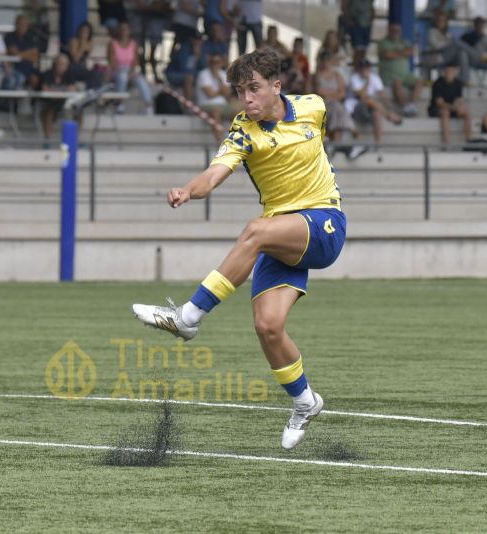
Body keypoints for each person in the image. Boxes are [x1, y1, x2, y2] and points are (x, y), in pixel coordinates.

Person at [132, 49, 345, 451]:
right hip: (281, 236)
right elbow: (213, 176)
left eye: (254, 89)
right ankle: (305, 402)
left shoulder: (313, 107)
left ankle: (188, 317)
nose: (246, 99)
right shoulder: (243, 131)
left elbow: (318, 142)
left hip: (323, 223)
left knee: (255, 230)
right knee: (268, 327)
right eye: (240, 91)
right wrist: (187, 191)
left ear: (276, 87)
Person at [313, 51, 365, 159]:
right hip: (322, 104)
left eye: (329, 60)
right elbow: (319, 92)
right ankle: (353, 130)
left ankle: (334, 147)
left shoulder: (337, 75)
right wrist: (334, 93)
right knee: (338, 108)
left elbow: (342, 93)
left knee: (337, 108)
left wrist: (329, 94)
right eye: (325, 60)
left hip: (334, 104)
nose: (327, 63)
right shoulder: (317, 75)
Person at [345, 58, 402, 144]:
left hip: (371, 106)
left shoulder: (375, 77)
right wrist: (367, 81)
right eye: (362, 68)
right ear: (358, 69)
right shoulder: (354, 78)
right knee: (369, 100)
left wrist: (390, 108)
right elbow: (362, 97)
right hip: (355, 107)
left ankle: (377, 143)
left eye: (366, 68)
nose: (364, 70)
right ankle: (389, 116)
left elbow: (382, 95)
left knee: (377, 114)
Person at [378, 22, 423, 117]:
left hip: (405, 75)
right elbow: (387, 55)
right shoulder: (383, 42)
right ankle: (405, 107)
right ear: (389, 30)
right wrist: (402, 52)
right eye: (393, 30)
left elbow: (411, 51)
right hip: (390, 75)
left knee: (419, 81)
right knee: (397, 83)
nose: (395, 32)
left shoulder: (404, 42)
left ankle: (411, 105)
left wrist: (395, 53)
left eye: (397, 30)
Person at [109, 21, 154, 114]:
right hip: (117, 71)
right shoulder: (113, 43)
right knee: (122, 77)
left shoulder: (134, 44)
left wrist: (132, 72)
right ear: (119, 31)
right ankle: (119, 104)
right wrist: (122, 70)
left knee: (141, 80)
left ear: (130, 31)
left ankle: (149, 106)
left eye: (126, 29)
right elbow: (112, 63)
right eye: (122, 29)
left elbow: (135, 62)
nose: (124, 31)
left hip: (130, 70)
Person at [428, 63, 471, 144]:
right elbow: (439, 103)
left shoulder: (458, 83)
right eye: (447, 71)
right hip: (436, 109)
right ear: (444, 72)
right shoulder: (437, 83)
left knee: (466, 113)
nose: (449, 73)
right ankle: (446, 142)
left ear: (455, 72)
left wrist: (460, 106)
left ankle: (468, 141)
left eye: (451, 71)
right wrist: (453, 107)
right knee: (445, 112)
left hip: (452, 108)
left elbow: (459, 99)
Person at [196, 53, 235, 140]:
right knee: (216, 112)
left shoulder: (223, 74)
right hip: (207, 105)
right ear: (209, 63)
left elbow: (228, 93)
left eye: (217, 62)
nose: (215, 64)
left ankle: (238, 139)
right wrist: (222, 91)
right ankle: (219, 142)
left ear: (221, 63)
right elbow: (210, 95)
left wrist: (219, 79)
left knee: (238, 112)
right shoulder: (203, 74)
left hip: (223, 105)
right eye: (212, 62)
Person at [38, 53, 75, 138]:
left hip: (64, 102)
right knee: (49, 111)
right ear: (55, 64)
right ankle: (47, 139)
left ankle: (74, 138)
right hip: (48, 102)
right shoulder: (47, 74)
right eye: (60, 64)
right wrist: (63, 91)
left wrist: (56, 91)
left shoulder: (68, 75)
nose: (62, 67)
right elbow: (45, 89)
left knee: (77, 112)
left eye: (64, 64)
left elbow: (72, 89)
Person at [427, 12, 472, 83]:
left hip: (450, 58)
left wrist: (449, 44)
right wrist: (448, 44)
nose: (441, 23)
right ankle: (474, 54)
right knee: (456, 43)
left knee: (462, 53)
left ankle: (464, 80)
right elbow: (436, 45)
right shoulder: (432, 32)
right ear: (436, 22)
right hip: (438, 57)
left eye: (443, 21)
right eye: (439, 20)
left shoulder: (447, 33)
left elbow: (451, 45)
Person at [5, 14, 41, 90]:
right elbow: (14, 54)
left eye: (25, 25)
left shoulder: (31, 37)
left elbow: (35, 57)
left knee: (38, 79)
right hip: (16, 67)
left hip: (29, 67)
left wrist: (20, 54)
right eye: (21, 24)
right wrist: (29, 53)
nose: (23, 27)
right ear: (16, 25)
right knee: (18, 78)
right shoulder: (10, 36)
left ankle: (32, 101)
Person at [165, 33, 204, 101]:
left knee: (203, 77)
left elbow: (204, 69)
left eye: (200, 39)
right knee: (189, 78)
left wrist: (198, 56)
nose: (199, 41)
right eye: (197, 39)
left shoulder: (202, 50)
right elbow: (182, 68)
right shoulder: (184, 48)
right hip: (174, 74)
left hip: (192, 75)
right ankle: (189, 106)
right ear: (192, 40)